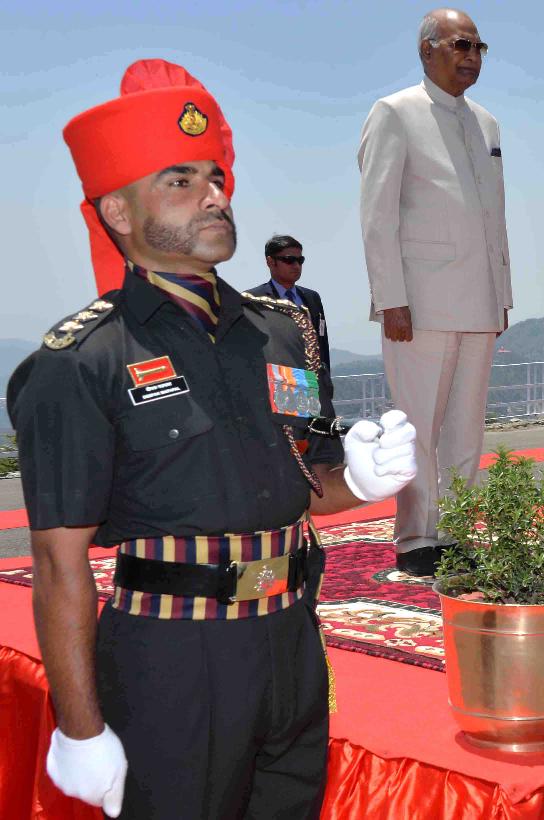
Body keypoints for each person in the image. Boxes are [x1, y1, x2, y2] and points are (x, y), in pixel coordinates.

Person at [7, 60, 418, 818]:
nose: (214, 195)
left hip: (291, 641)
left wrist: (359, 481)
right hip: (171, 659)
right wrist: (79, 727)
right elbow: (60, 562)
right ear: (118, 211)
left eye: (216, 177)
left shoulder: (279, 334)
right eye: (180, 181)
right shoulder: (82, 361)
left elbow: (306, 479)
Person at [358, 7, 512, 575]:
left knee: (466, 429)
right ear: (427, 50)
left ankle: (456, 530)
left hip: (480, 301)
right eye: (460, 45)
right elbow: (378, 215)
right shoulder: (395, 113)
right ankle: (417, 538)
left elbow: (494, 218)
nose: (471, 56)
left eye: (478, 47)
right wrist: (390, 298)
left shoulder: (486, 123)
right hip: (418, 302)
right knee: (417, 426)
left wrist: (501, 294)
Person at [248, 234, 331, 370]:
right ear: (270, 262)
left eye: (300, 260)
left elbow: (322, 343)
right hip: (275, 379)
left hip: (311, 379)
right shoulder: (253, 301)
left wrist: (325, 378)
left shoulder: (312, 298)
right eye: (289, 260)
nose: (296, 266)